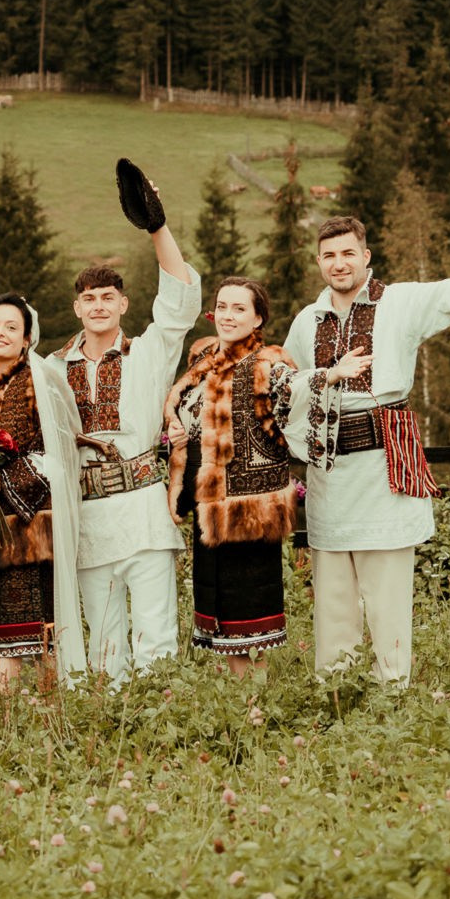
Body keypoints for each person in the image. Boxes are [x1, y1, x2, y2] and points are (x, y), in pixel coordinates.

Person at [279, 200, 450, 685]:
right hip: (330, 479)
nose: (339, 263)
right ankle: (335, 692)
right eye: (329, 255)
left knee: (387, 599)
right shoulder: (306, 321)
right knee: (334, 602)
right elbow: (286, 391)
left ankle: (392, 692)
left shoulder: (401, 302)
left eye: (348, 253)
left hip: (383, 470)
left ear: (366, 256)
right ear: (318, 261)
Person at [49, 219, 200, 680]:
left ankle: (159, 715)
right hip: (88, 516)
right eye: (90, 298)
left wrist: (158, 228)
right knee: (104, 642)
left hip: (143, 509)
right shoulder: (53, 369)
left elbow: (178, 303)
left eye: (107, 297)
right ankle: (108, 718)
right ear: (77, 308)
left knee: (156, 636)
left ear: (123, 304)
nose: (98, 306)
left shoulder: (149, 352)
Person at [163, 277, 300, 676]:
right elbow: (190, 423)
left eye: (239, 308)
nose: (227, 315)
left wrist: (330, 377)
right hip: (207, 505)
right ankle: (236, 703)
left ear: (258, 318)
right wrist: (177, 433)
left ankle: (254, 702)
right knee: (220, 618)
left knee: (249, 620)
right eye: (222, 307)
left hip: (247, 511)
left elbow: (299, 401)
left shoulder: (269, 365)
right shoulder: (203, 363)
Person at [0, 294, 86, 688]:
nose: (0, 333)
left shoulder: (40, 382)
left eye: (12, 327)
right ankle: (5, 716)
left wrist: (7, 478)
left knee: (42, 638)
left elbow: (61, 452)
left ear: (27, 338)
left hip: (31, 532)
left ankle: (50, 713)